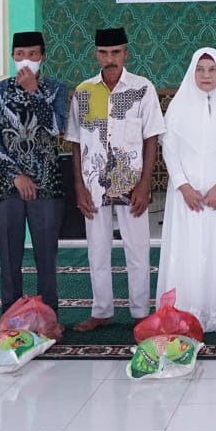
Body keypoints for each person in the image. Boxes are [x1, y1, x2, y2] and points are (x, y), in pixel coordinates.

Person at [69, 27, 165, 331]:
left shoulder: (142, 89)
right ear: (96, 54)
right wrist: (79, 185)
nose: (110, 59)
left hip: (131, 184)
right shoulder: (84, 91)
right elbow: (75, 141)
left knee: (137, 249)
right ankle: (101, 311)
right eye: (104, 53)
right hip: (94, 184)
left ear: (126, 53)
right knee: (97, 251)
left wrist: (145, 183)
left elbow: (151, 138)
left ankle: (140, 312)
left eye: (116, 52)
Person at [156, 47, 216, 332]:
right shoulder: (179, 106)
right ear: (192, 73)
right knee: (188, 252)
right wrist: (183, 185)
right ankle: (186, 313)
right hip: (187, 195)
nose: (206, 75)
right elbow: (169, 149)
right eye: (200, 69)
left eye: (212, 70)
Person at [0, 31, 68, 324]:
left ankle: (49, 318)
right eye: (20, 54)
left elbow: (57, 129)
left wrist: (34, 91)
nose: (26, 60)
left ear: (43, 57)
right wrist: (16, 175)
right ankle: (11, 317)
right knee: (9, 256)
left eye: (33, 54)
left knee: (46, 256)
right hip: (8, 185)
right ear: (12, 57)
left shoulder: (56, 88)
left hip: (48, 183)